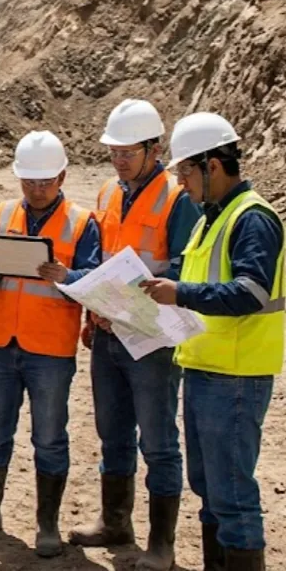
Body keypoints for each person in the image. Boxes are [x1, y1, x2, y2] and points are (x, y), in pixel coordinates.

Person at [141, 112, 284, 571]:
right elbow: (195, 279)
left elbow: (251, 292)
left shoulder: (253, 219)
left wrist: (180, 293)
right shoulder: (209, 220)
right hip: (206, 368)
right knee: (210, 490)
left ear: (213, 166)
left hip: (237, 378)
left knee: (233, 497)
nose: (181, 183)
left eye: (185, 172)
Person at [69, 100, 201, 571]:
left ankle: (161, 545)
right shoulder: (108, 192)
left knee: (159, 443)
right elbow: (101, 259)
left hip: (151, 340)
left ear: (154, 149)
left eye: (128, 152)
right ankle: (115, 523)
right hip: (108, 333)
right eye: (114, 152)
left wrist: (132, 304)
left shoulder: (177, 197)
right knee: (113, 435)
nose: (119, 161)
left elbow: (184, 269)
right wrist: (94, 313)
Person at [0, 130, 100, 559]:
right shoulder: (1, 214)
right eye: (29, 181)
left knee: (50, 439)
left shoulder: (81, 223)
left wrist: (67, 277)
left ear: (62, 177)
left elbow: (95, 280)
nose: (37, 190)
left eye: (45, 181)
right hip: (1, 343)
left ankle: (47, 524)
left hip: (50, 351)